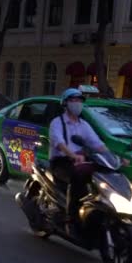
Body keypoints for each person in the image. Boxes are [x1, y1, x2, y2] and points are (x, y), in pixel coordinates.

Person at [49, 88, 108, 222]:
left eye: (79, 100)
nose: (77, 104)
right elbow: (59, 143)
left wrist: (114, 158)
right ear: (65, 103)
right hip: (61, 162)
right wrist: (72, 155)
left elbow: (97, 144)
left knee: (102, 175)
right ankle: (72, 217)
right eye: (73, 100)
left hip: (80, 161)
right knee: (78, 177)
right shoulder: (57, 123)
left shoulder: (84, 125)